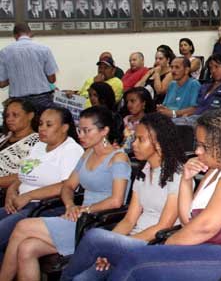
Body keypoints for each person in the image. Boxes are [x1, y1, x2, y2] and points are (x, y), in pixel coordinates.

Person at [103, 109, 221, 280]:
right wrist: (186, 180)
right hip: (206, 249)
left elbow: (206, 226)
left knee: (137, 258)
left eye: (204, 146)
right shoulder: (213, 171)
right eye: (198, 144)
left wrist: (166, 246)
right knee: (137, 261)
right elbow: (187, 221)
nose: (197, 151)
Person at [0, 106, 130, 281]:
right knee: (27, 248)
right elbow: (68, 186)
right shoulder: (88, 154)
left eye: (86, 130)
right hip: (76, 216)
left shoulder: (118, 158)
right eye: (79, 130)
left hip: (97, 222)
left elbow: (116, 201)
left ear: (104, 131)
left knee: (23, 227)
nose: (81, 135)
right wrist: (70, 205)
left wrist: (84, 210)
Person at [59, 113, 184, 281]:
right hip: (130, 241)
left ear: (159, 143)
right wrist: (110, 248)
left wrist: (116, 246)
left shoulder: (178, 175)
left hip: (153, 244)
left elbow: (162, 226)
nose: (134, 144)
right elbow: (129, 220)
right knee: (81, 279)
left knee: (95, 236)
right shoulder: (145, 171)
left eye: (141, 140)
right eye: (134, 139)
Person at [0, 107, 82, 260]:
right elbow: (24, 173)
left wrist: (29, 196)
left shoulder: (71, 150)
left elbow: (66, 186)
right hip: (20, 202)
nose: (42, 129)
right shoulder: (38, 145)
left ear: (64, 128)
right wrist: (12, 190)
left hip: (43, 207)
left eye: (49, 125)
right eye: (41, 124)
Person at [0, 24, 58, 111]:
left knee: (21, 124)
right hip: (42, 99)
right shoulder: (44, 49)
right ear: (30, 33)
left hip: (18, 101)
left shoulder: (4, 52)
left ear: (15, 35)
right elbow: (52, 80)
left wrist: (14, 75)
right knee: (42, 124)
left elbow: (2, 84)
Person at [0, 100, 39, 187]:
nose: (9, 119)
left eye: (15, 115)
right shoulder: (4, 137)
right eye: (7, 116)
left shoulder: (38, 143)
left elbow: (26, 175)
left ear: (30, 116)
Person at [121, 87, 156, 153]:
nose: (128, 105)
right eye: (127, 102)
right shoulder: (125, 120)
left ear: (144, 103)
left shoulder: (149, 122)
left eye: (132, 101)